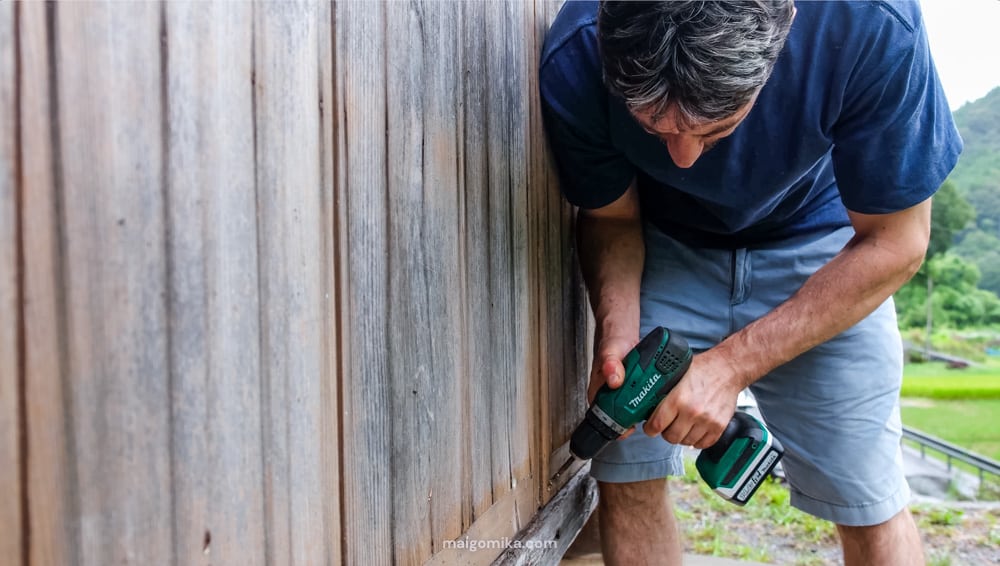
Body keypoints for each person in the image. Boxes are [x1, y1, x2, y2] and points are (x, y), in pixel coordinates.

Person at [539, 1, 962, 565]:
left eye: (713, 130)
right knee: (627, 473)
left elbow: (897, 242)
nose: (684, 161)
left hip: (830, 251)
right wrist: (617, 331)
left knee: (866, 495)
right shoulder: (577, 51)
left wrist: (731, 367)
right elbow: (613, 220)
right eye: (653, 128)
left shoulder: (870, 23)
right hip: (664, 239)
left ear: (780, 42)